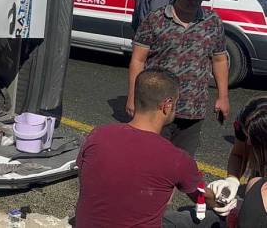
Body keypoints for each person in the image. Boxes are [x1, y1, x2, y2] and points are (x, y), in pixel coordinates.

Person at [76, 70, 219, 227]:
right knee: (210, 219)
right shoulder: (176, 158)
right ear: (167, 105)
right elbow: (202, 195)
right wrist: (219, 203)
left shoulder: (97, 135)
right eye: (176, 104)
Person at [127, 0, 230, 157]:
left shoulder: (212, 22)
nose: (194, 2)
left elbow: (219, 60)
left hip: (193, 108)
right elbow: (138, 60)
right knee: (151, 159)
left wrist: (223, 97)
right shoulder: (155, 19)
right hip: (156, 107)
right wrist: (133, 96)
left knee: (181, 163)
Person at [207, 97, 267, 217]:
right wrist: (232, 180)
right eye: (247, 135)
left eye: (253, 139)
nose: (248, 143)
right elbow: (238, 154)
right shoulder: (244, 120)